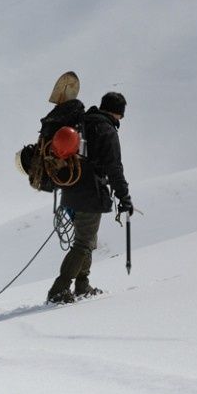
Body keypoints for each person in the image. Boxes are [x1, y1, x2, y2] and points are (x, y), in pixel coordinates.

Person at [47, 92, 134, 303]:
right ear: (117, 112)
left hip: (70, 189)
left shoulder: (81, 122)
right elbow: (114, 168)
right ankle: (59, 290)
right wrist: (124, 197)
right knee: (84, 243)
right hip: (90, 193)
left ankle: (82, 285)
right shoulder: (106, 130)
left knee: (87, 240)